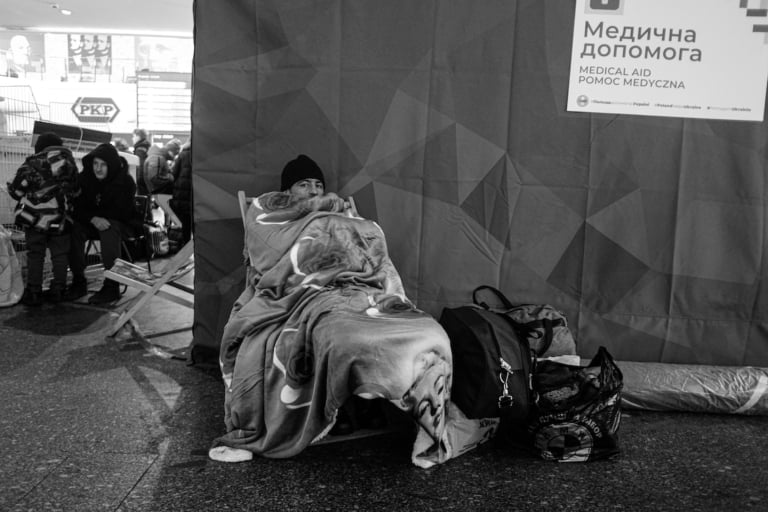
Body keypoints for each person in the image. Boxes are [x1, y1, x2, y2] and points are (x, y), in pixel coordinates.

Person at [6, 132, 79, 306]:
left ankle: (34, 292)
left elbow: (16, 191)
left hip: (35, 220)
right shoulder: (70, 164)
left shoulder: (32, 164)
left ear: (40, 147)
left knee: (35, 254)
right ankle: (59, 290)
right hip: (61, 219)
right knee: (60, 255)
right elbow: (76, 191)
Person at [66, 143, 137, 304]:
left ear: (111, 165)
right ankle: (79, 282)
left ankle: (112, 286)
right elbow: (77, 208)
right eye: (95, 164)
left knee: (109, 228)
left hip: (122, 223)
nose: (98, 169)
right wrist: (93, 218)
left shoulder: (125, 181)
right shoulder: (85, 179)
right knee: (74, 228)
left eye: (103, 165)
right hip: (93, 222)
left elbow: (124, 212)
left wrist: (98, 217)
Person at [169, 139, 193, 243]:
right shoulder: (201, 155)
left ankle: (185, 246)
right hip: (194, 195)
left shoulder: (183, 154)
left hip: (181, 194)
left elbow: (174, 174)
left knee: (184, 224)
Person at [132, 129, 151, 194]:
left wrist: (138, 181)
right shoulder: (146, 147)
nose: (133, 138)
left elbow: (140, 167)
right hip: (146, 181)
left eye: (133, 136)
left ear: (138, 136)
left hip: (141, 182)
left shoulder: (140, 149)